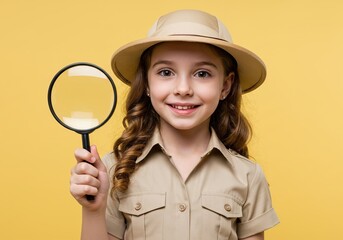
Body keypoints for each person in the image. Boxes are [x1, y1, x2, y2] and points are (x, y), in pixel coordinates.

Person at [70, 9, 279, 240]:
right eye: (166, 72)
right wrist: (93, 210)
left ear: (225, 86)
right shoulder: (114, 170)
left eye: (202, 73)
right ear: (147, 83)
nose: (183, 89)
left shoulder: (248, 176)